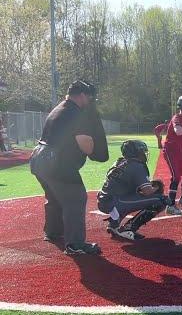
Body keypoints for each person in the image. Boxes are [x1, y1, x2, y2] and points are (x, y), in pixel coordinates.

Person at [29, 80, 109, 255]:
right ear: (81, 96)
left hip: (39, 159)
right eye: (89, 97)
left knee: (54, 197)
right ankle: (75, 245)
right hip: (58, 163)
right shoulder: (76, 113)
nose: (90, 101)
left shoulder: (59, 108)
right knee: (76, 198)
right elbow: (85, 143)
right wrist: (95, 150)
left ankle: (53, 232)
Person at [97, 140, 169, 241]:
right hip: (115, 201)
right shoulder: (136, 166)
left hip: (104, 199)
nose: (144, 154)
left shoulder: (119, 161)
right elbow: (147, 191)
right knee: (161, 200)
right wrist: (156, 187)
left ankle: (114, 223)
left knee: (132, 194)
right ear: (136, 153)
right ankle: (128, 229)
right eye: (142, 151)